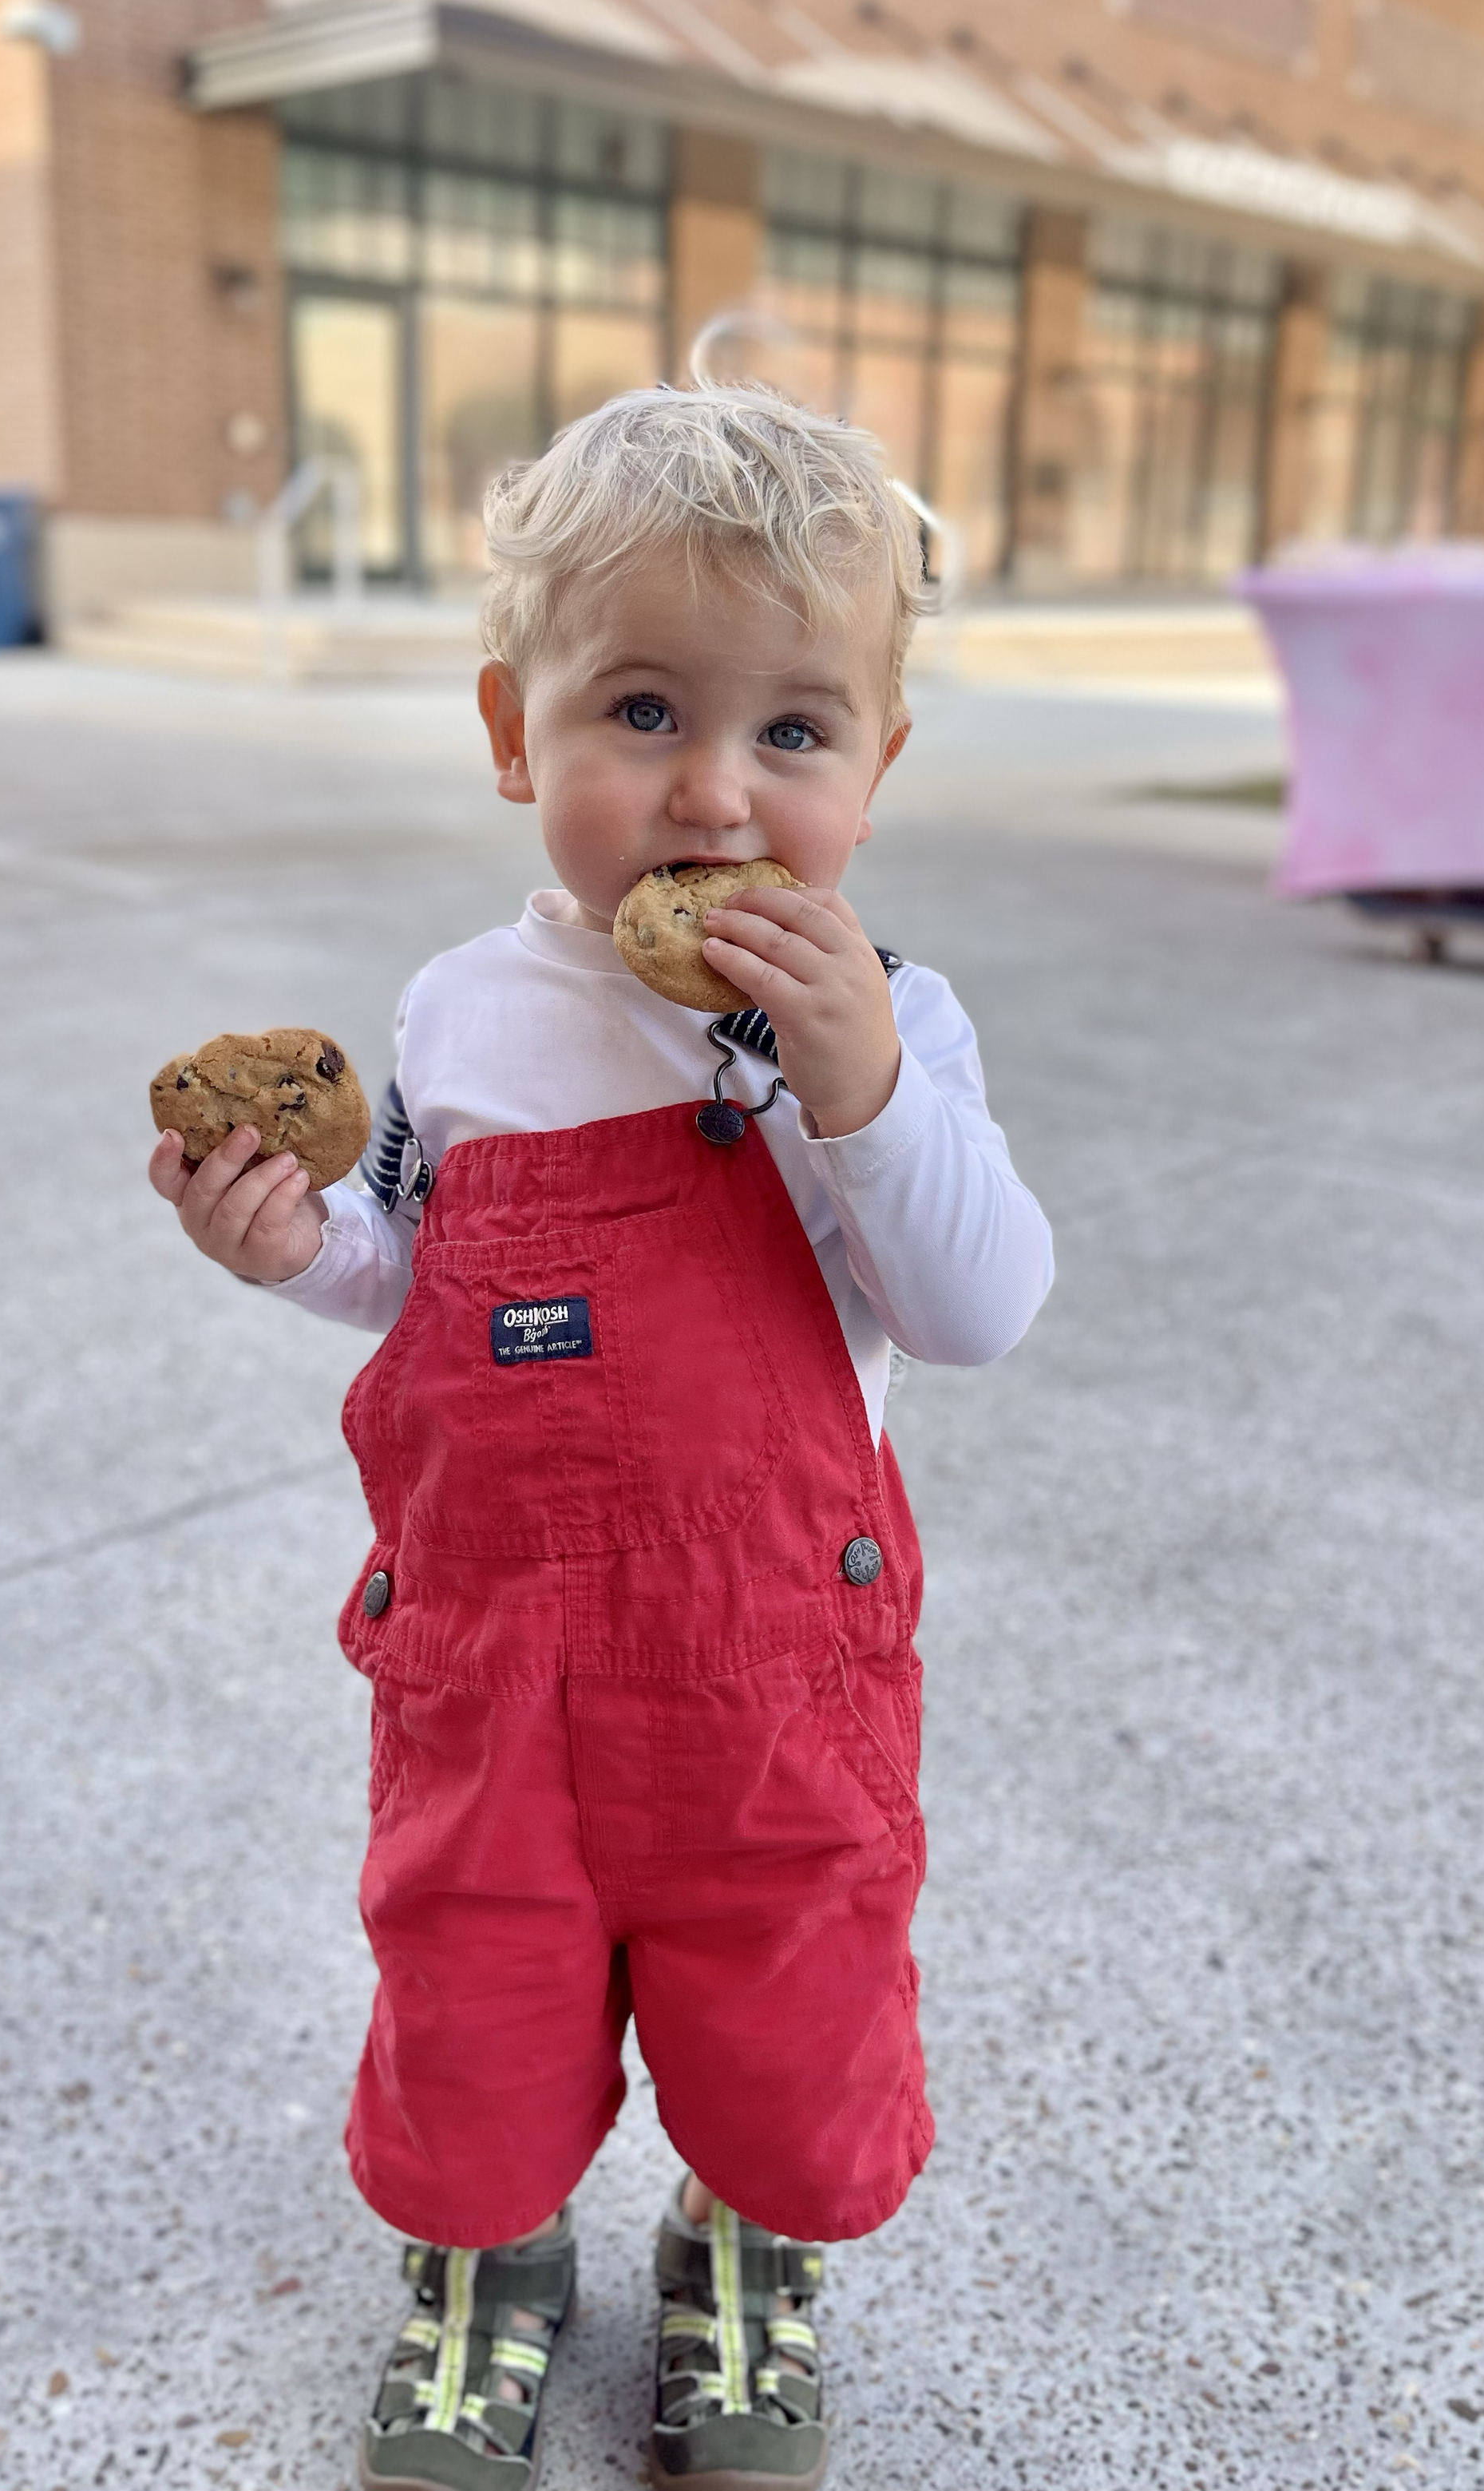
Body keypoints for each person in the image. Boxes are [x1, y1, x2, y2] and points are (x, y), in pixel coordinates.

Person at [148, 384, 1054, 2491]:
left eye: (794, 733)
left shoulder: (888, 1022)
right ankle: (486, 2261)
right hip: (491, 1662)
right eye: (641, 709)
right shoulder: (462, 1015)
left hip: (766, 1678)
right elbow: (425, 1272)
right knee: (471, 1998)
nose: (715, 791)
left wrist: (861, 1091)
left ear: (878, 768)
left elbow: (981, 1305)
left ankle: (742, 2252)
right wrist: (292, 1247)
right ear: (510, 732)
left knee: (786, 2016)